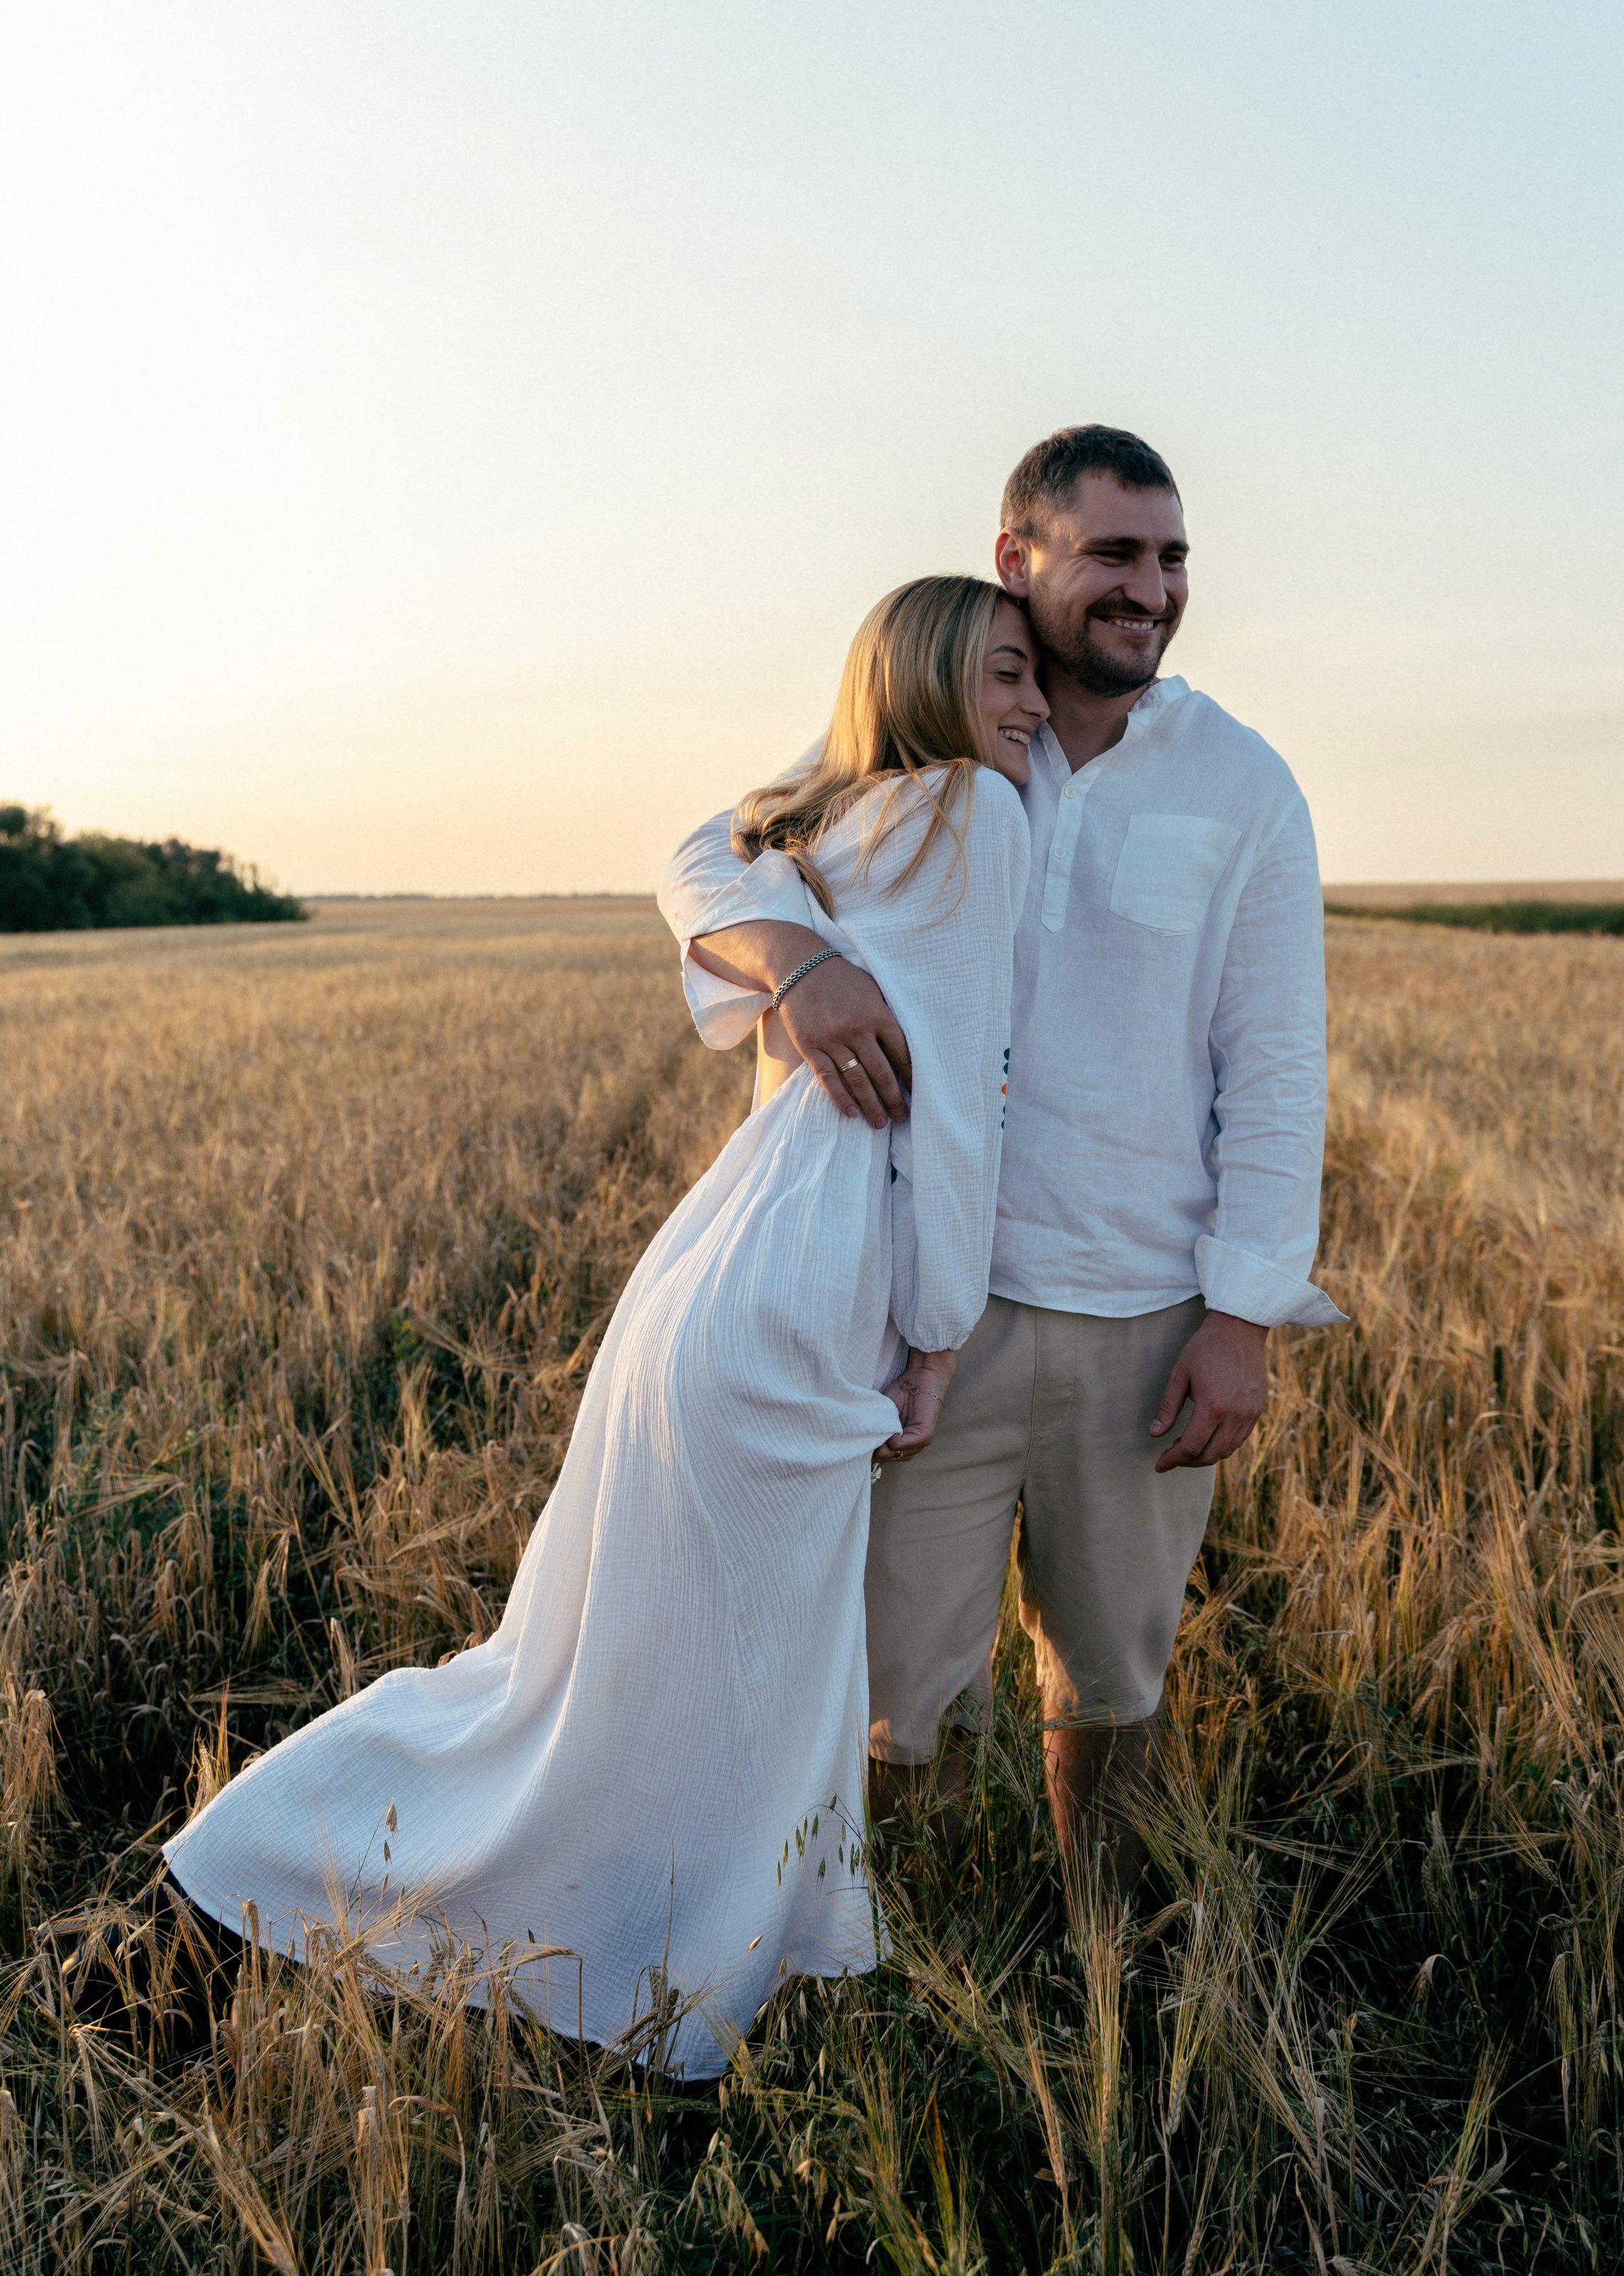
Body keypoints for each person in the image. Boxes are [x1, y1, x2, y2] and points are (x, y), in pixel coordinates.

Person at [155, 575, 1040, 2077]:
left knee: (575, 1679)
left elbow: (706, 841)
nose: (1025, 703)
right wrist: (942, 1330)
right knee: (700, 1709)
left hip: (709, 1290)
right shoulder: (975, 820)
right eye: (1003, 672)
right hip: (798, 1308)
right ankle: (628, 2005)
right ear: (932, 689)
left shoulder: (830, 827)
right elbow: (958, 1111)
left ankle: (326, 1904)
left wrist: (796, 952)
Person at [659, 426, 1342, 1889]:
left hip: (1142, 1313)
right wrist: (790, 962)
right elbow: (707, 856)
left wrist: (1241, 1318)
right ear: (1014, 559)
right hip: (913, 1309)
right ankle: (867, 1959)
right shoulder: (937, 735)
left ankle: (1106, 1953)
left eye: (1168, 560)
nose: (1146, 590)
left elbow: (1274, 1071)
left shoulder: (1242, 786)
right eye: (1110, 554)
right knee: (890, 1685)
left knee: (1111, 1675)